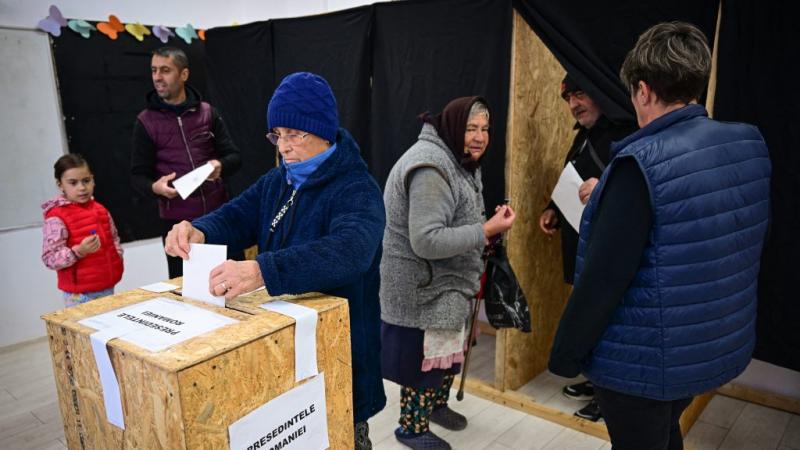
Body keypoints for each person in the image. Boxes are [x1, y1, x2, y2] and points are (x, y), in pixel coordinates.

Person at [548, 22, 771, 450]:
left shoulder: (639, 165)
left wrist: (565, 355)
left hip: (644, 361)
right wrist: (611, 197)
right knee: (666, 435)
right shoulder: (747, 143)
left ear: (644, 91)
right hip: (707, 344)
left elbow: (602, 281)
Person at [163, 72, 386, 449]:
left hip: (340, 354)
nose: (284, 146)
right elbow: (236, 216)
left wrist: (262, 270)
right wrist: (199, 230)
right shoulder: (278, 180)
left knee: (345, 434)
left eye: (294, 134)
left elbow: (351, 250)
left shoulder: (356, 188)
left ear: (323, 132)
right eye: (277, 134)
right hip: (285, 345)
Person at [380, 96, 516, 450]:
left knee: (445, 353)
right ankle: (411, 427)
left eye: (485, 129)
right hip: (423, 287)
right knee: (423, 363)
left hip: (448, 283)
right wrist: (485, 230)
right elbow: (426, 240)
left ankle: (436, 408)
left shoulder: (456, 158)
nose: (480, 137)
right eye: (472, 127)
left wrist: (484, 230)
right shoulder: (431, 168)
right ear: (455, 126)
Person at [538, 75, 636, 422]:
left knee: (607, 320)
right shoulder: (584, 137)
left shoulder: (624, 134)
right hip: (582, 245)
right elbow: (572, 177)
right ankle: (596, 383)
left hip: (606, 253)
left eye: (580, 94)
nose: (574, 104)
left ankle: (609, 398)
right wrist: (552, 209)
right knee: (591, 317)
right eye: (568, 98)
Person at [131, 46, 241, 279]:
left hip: (219, 215)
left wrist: (220, 166)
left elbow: (235, 157)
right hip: (177, 225)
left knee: (234, 288)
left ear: (184, 74)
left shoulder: (208, 113)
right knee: (188, 293)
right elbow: (137, 176)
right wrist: (155, 188)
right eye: (154, 70)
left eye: (165, 70)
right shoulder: (146, 121)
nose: (157, 77)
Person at [42, 154, 124, 307]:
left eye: (86, 181)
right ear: (60, 185)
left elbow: (114, 238)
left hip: (107, 287)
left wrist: (117, 255)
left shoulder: (101, 209)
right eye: (73, 183)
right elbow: (49, 258)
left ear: (93, 179)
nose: (82, 187)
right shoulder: (56, 217)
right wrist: (78, 251)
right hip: (79, 296)